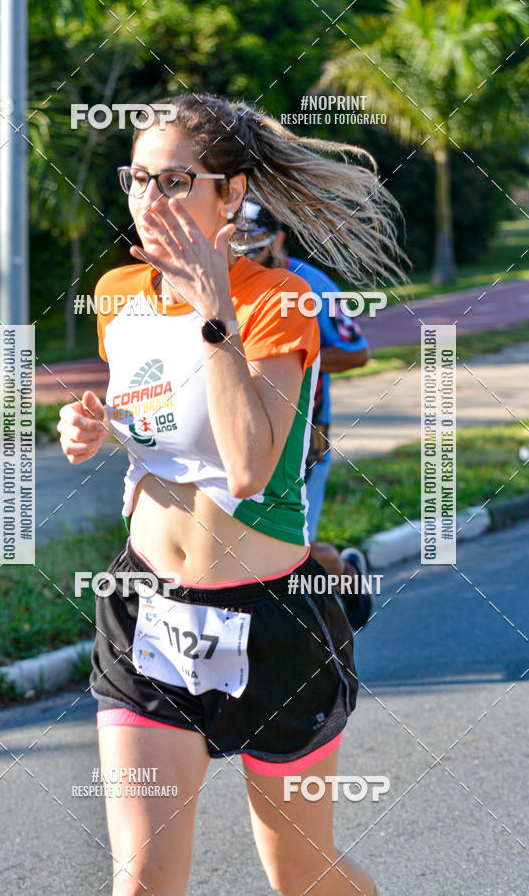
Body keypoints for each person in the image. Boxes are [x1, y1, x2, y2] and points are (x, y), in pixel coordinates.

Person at [58, 93, 405, 896]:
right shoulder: (118, 295)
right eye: (139, 178)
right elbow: (169, 420)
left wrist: (217, 311)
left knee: (300, 874)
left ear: (232, 192)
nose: (151, 201)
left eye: (177, 181)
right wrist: (97, 425)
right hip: (148, 611)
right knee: (141, 880)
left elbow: (248, 467)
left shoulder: (278, 303)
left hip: (273, 623)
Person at [231, 199, 373, 631]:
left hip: (306, 438)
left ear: (279, 239)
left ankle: (345, 574)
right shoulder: (226, 282)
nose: (245, 258)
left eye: (255, 248)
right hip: (240, 433)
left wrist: (288, 356)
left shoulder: (311, 285)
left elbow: (357, 353)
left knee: (291, 547)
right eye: (237, 248)